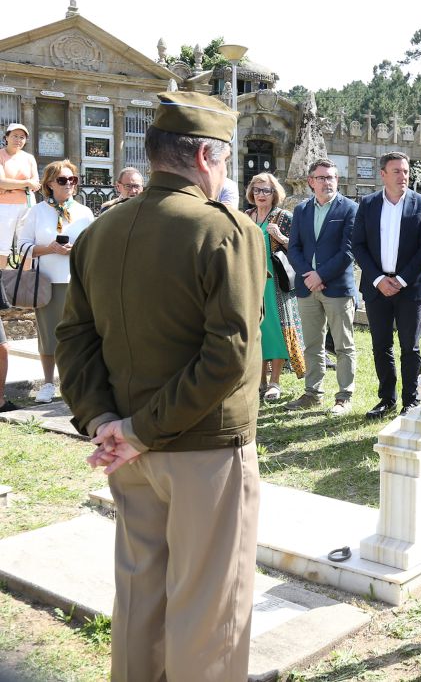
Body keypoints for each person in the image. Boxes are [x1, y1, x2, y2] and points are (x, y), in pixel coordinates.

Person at [55, 91, 265, 682]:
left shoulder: (100, 231)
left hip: (125, 446)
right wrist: (139, 430)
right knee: (209, 614)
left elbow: (74, 339)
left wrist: (104, 421)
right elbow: (228, 355)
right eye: (225, 160)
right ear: (204, 157)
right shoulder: (226, 230)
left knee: (139, 599)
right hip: (202, 448)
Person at [352, 151, 421, 418]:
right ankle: (386, 399)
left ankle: (410, 400)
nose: (403, 176)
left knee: (410, 347)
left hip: (410, 288)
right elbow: (358, 245)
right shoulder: (368, 204)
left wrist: (400, 281)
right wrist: (379, 279)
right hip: (377, 287)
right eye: (397, 171)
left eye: (406, 171)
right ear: (383, 174)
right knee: (381, 345)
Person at [285, 159, 358, 414]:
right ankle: (312, 393)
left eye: (331, 177)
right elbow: (294, 247)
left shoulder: (349, 209)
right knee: (312, 344)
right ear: (311, 181)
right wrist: (308, 275)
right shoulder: (302, 210)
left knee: (343, 345)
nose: (327, 182)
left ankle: (344, 397)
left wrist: (321, 275)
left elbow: (348, 250)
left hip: (337, 288)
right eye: (321, 178)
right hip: (307, 287)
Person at [18, 160, 94, 404]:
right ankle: (49, 383)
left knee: (78, 335)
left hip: (77, 282)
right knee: (48, 336)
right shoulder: (36, 212)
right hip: (47, 283)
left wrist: (76, 250)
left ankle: (75, 383)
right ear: (50, 184)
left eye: (73, 179)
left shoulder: (84, 212)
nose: (69, 184)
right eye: (62, 180)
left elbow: (94, 247)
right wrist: (49, 249)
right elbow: (22, 247)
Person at [245, 172, 305, 401]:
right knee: (256, 330)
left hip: (276, 284)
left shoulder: (283, 217)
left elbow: (298, 249)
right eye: (257, 190)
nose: (261, 194)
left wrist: (280, 236)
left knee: (276, 330)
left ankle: (275, 382)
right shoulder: (246, 216)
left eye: (266, 190)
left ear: (274, 193)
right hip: (251, 282)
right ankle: (259, 380)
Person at [0, 122, 40, 412]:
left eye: (23, 137)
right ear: (6, 137)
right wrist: (22, 183)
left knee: (25, 245)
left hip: (25, 204)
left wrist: (21, 185)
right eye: (15, 136)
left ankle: (24, 283)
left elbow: (35, 182)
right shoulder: (1, 155)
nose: (19, 140)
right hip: (3, 206)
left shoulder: (29, 158)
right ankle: (2, 283)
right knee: (2, 248)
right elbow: (1, 182)